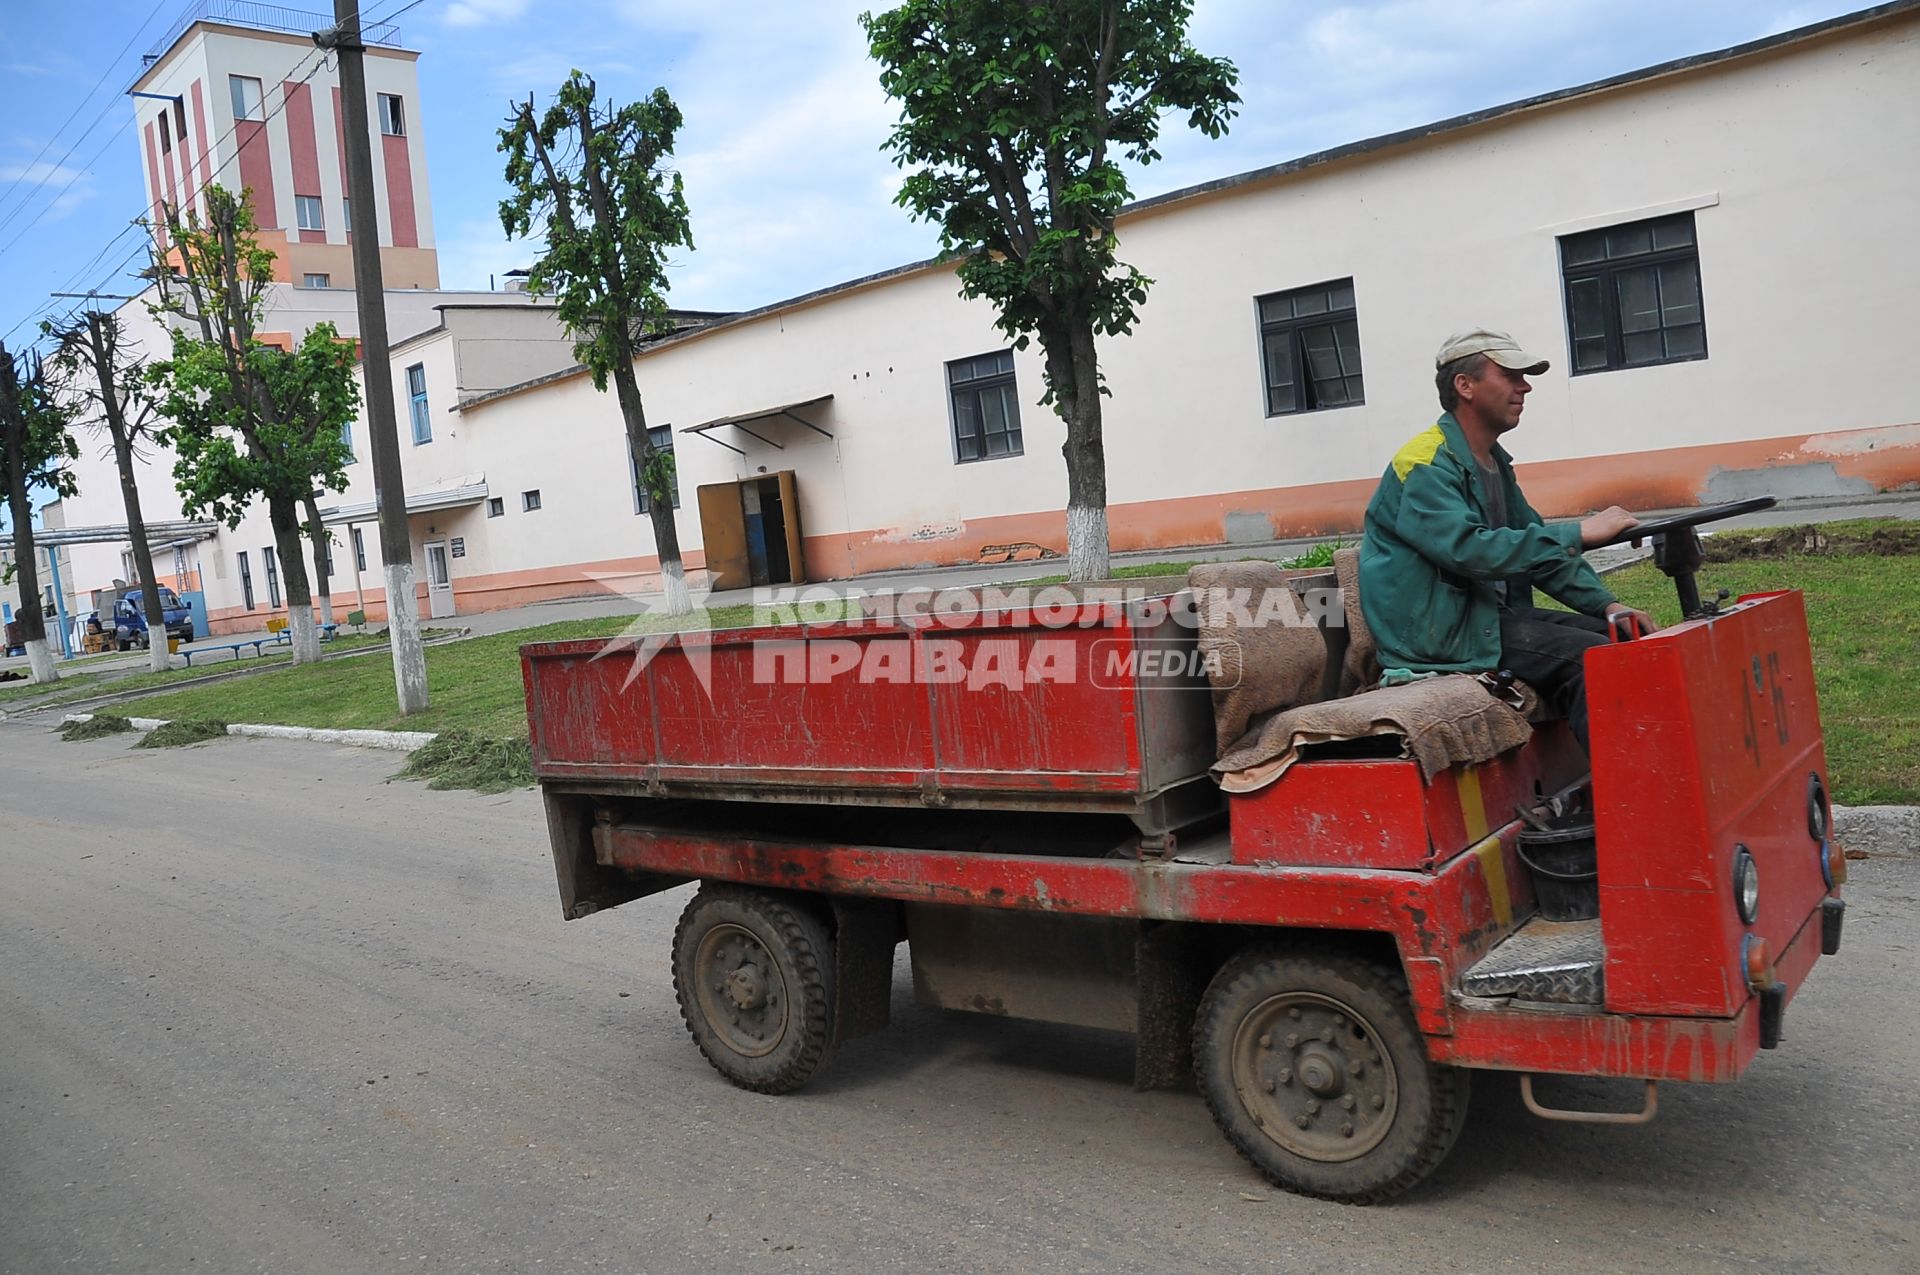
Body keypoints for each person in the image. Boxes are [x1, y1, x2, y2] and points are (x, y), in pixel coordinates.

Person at [1358, 328, 1655, 751]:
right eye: (1511, 375)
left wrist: (1607, 605)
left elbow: (1535, 551)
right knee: (1593, 660)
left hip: (1482, 619)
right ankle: (1624, 798)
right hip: (1441, 635)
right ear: (1466, 386)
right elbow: (1468, 549)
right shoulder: (1423, 463)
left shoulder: (1492, 462)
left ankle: (1643, 776)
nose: (1525, 386)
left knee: (1621, 638)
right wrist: (1578, 533)